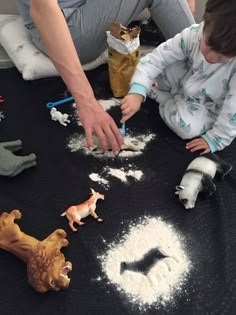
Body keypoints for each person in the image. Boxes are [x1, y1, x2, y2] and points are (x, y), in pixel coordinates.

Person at [15, 0, 195, 154]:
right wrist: (86, 101)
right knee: (198, 57)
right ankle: (202, 68)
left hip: (82, 8)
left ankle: (203, 66)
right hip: (63, 28)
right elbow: (42, 10)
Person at [121, 0, 236, 154]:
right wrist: (137, 90)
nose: (210, 57)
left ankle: (163, 98)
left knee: (186, 128)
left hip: (207, 104)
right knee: (159, 64)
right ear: (205, 23)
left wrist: (215, 139)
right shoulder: (194, 33)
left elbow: (232, 111)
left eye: (222, 57)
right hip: (185, 79)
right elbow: (157, 58)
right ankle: (158, 91)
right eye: (208, 44)